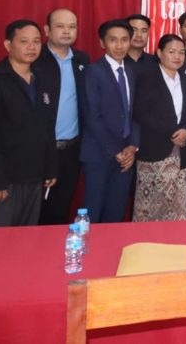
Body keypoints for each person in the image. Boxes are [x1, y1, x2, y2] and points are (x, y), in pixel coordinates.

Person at [0, 20, 57, 227]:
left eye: (36, 41)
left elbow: (48, 127)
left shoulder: (43, 80)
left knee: (26, 236)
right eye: (24, 41)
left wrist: (50, 167)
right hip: (4, 181)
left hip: (34, 176)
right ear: (8, 45)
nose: (31, 47)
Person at [132, 34, 186, 221]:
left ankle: (176, 239)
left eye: (181, 52)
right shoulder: (146, 78)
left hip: (181, 153)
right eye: (172, 52)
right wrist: (174, 133)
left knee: (177, 207)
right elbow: (141, 113)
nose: (177, 56)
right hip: (153, 152)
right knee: (149, 209)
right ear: (159, 53)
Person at [34, 8, 89, 225]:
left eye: (72, 27)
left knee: (60, 208)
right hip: (40, 149)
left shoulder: (82, 60)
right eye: (60, 26)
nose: (67, 31)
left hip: (71, 149)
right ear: (47, 30)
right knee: (35, 211)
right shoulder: (35, 58)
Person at [80, 19, 138, 224]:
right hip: (99, 153)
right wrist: (115, 150)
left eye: (124, 40)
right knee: (93, 210)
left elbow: (134, 113)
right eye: (113, 40)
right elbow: (92, 116)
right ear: (102, 42)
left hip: (125, 155)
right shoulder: (92, 71)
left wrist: (132, 146)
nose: (119, 45)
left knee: (116, 211)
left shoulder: (131, 71)